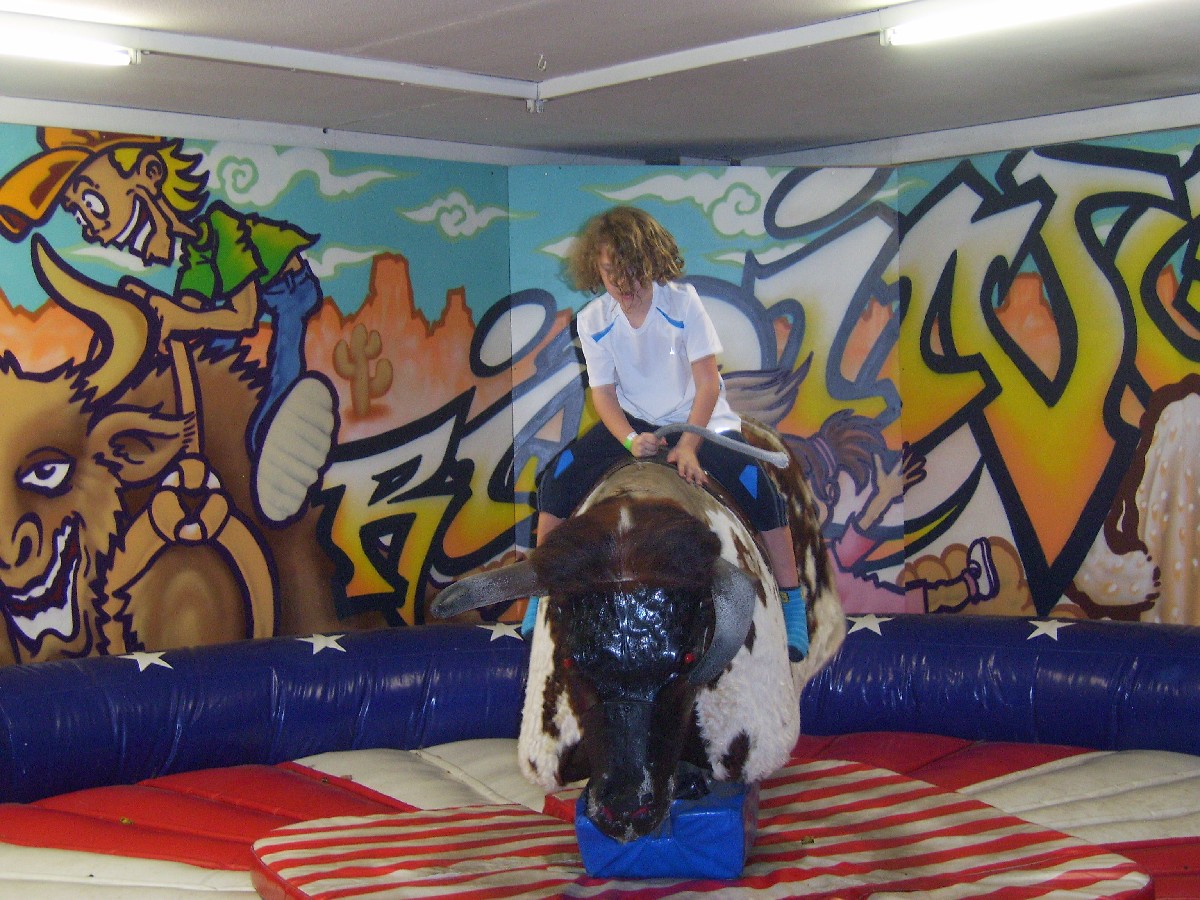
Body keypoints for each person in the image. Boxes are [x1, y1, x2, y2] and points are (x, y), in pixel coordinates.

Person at [530, 206, 809, 659]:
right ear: (596, 269)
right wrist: (628, 440)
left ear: (651, 263)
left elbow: (708, 384)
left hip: (698, 416)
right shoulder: (593, 319)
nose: (622, 284)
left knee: (762, 491)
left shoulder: (682, 303)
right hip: (633, 419)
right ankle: (539, 588)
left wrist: (690, 445)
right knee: (556, 481)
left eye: (631, 272)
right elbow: (603, 395)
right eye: (610, 272)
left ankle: (792, 599)